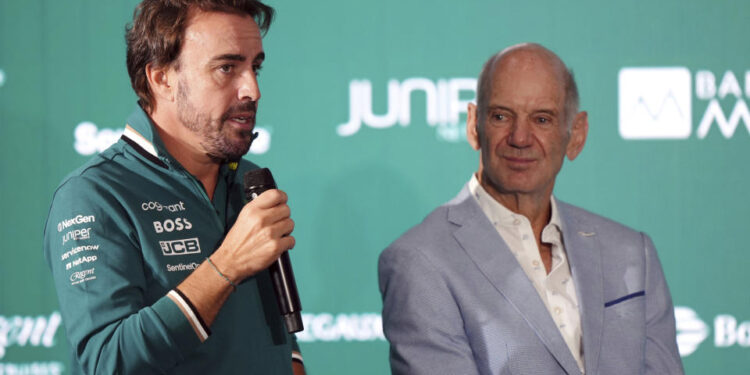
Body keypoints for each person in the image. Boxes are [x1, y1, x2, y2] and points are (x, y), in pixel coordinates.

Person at [378, 43, 684, 375]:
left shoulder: (631, 253)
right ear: (473, 125)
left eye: (542, 119)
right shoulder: (421, 261)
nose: (520, 137)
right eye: (500, 116)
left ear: (575, 135)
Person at [43, 1, 306, 374]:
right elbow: (106, 362)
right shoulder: (93, 196)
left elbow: (274, 338)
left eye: (255, 67)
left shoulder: (248, 180)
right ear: (161, 78)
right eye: (227, 68)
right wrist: (226, 264)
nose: (252, 89)